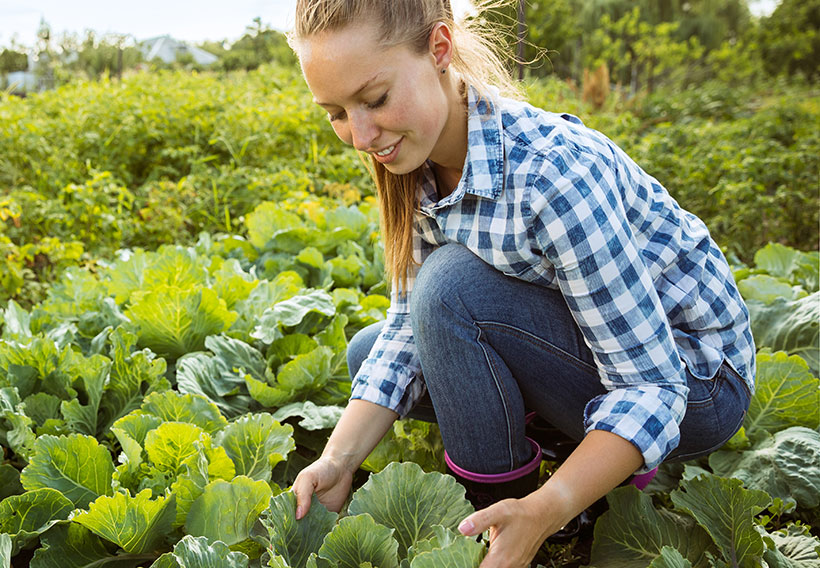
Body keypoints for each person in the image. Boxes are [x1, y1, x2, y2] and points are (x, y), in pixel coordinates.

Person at [286, 0, 756, 565]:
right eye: (335, 112)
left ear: (440, 49)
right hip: (594, 354)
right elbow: (406, 325)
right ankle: (540, 480)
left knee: (449, 288)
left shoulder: (552, 173)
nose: (360, 136)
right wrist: (337, 461)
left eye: (375, 99)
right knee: (372, 351)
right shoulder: (410, 159)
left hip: (693, 383)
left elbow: (652, 388)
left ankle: (519, 512)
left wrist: (547, 506)